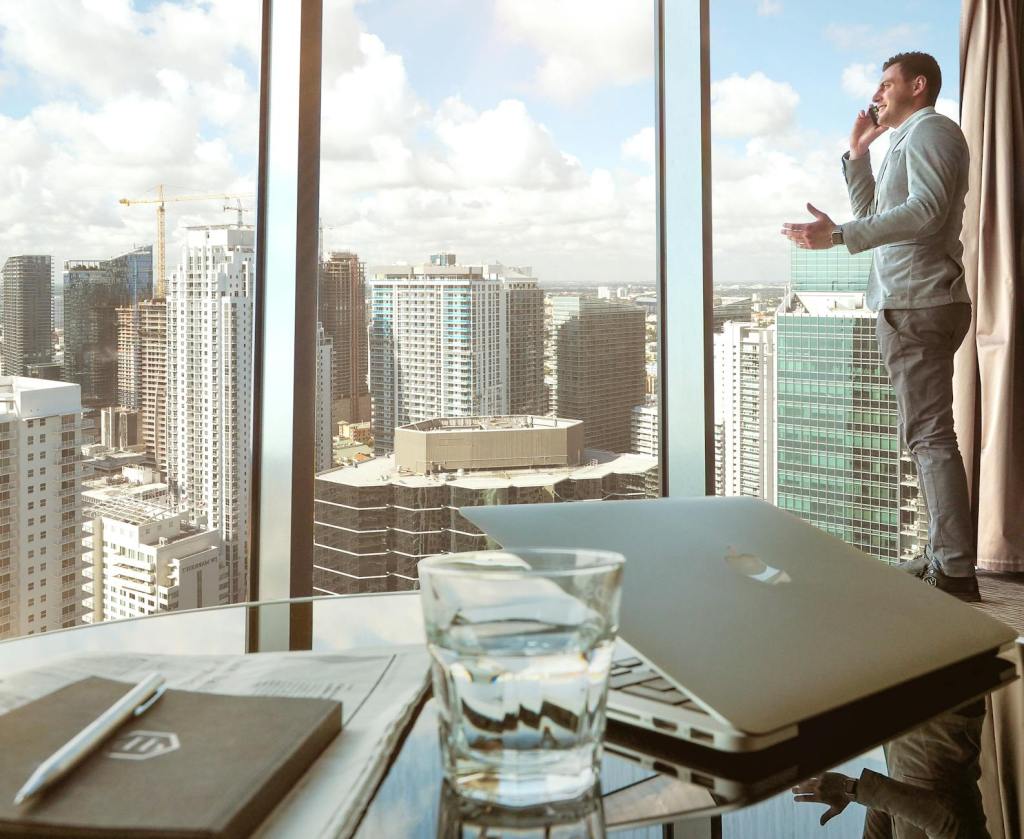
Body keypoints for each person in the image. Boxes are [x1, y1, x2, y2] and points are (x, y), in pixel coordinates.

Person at [780, 52, 979, 602]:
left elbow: (928, 212)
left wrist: (840, 235)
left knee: (930, 436)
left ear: (918, 86)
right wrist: (859, 152)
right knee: (923, 435)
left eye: (886, 84)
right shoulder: (903, 141)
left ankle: (956, 571)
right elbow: (876, 215)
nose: (877, 94)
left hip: (919, 301)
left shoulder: (932, 131)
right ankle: (944, 555)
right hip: (907, 299)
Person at [791, 701, 989, 838]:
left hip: (912, 723)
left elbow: (884, 810)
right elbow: (945, 820)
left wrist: (852, 792)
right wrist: (851, 789)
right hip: (944, 719)